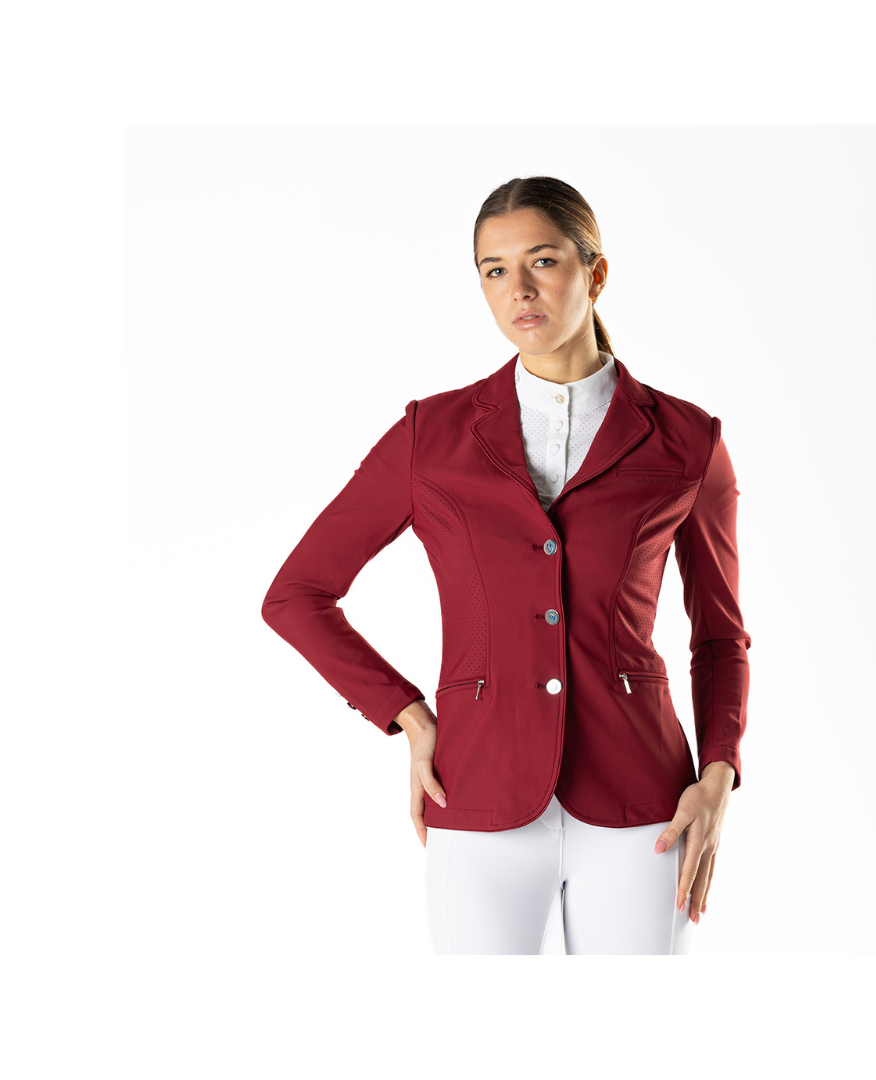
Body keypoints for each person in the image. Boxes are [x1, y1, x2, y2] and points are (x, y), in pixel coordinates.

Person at [261, 176, 751, 954]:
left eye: (543, 261)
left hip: (644, 806)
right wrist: (408, 715)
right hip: (477, 793)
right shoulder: (431, 436)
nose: (518, 288)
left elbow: (719, 637)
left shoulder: (688, 441)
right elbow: (297, 595)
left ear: (595, 273)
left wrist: (719, 772)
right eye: (494, 270)